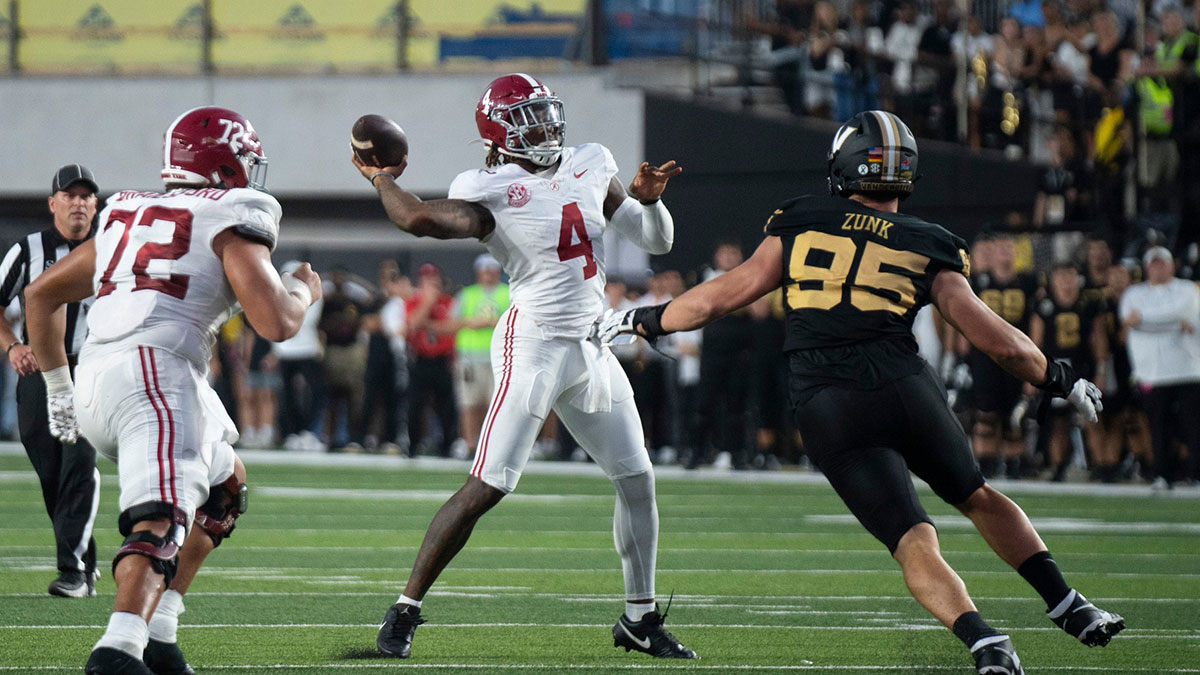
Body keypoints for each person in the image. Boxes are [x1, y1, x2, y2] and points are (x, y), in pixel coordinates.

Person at [600, 110, 1125, 675]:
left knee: (913, 539)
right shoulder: (931, 243)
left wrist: (645, 320)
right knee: (977, 495)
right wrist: (1058, 378)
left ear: (844, 167)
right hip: (903, 385)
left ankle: (984, 640)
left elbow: (723, 295)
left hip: (828, 401)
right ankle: (1070, 605)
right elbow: (998, 341)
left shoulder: (802, 219)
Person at [352, 72, 694, 660]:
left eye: (546, 112)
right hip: (532, 343)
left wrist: (650, 199)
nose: (545, 125)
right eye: (528, 118)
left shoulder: (590, 161)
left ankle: (639, 617)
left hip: (590, 345)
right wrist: (381, 176)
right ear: (500, 133)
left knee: (638, 479)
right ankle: (405, 608)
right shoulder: (487, 186)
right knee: (489, 484)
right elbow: (418, 221)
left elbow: (654, 240)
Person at [23, 106, 322, 675]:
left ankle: (160, 628)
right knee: (158, 522)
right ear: (226, 161)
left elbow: (40, 296)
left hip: (98, 380)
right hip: (154, 378)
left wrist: (59, 389)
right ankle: (118, 647)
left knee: (223, 486)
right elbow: (277, 322)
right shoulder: (235, 212)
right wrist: (303, 290)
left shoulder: (125, 211)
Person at [0, 164, 102, 597]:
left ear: (95, 204)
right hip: (40, 368)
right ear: (53, 203)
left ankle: (73, 570)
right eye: (70, 195)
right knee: (51, 471)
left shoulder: (112, 247)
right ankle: (86, 560)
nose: (78, 202)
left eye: (86, 196)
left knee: (79, 462)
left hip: (94, 367)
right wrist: (12, 347)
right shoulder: (28, 249)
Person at [1119, 246, 1200, 489]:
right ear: (1146, 268)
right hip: (1151, 372)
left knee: (1193, 425)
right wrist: (1173, 322)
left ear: (1172, 265)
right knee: (1157, 427)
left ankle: (1196, 473)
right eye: (1153, 264)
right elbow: (1130, 320)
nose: (1158, 268)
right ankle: (1163, 474)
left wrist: (1142, 320)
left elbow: (1184, 313)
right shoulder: (1133, 293)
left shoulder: (1187, 289)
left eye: (1162, 263)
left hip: (1188, 369)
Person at [450, 254, 510, 459]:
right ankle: (471, 443)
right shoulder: (467, 295)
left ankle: (495, 446)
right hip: (471, 358)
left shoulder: (508, 293)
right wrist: (470, 322)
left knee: (497, 405)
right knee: (470, 403)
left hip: (500, 357)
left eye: (492, 271)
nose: (488, 275)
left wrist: (494, 322)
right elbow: (451, 322)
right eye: (485, 271)